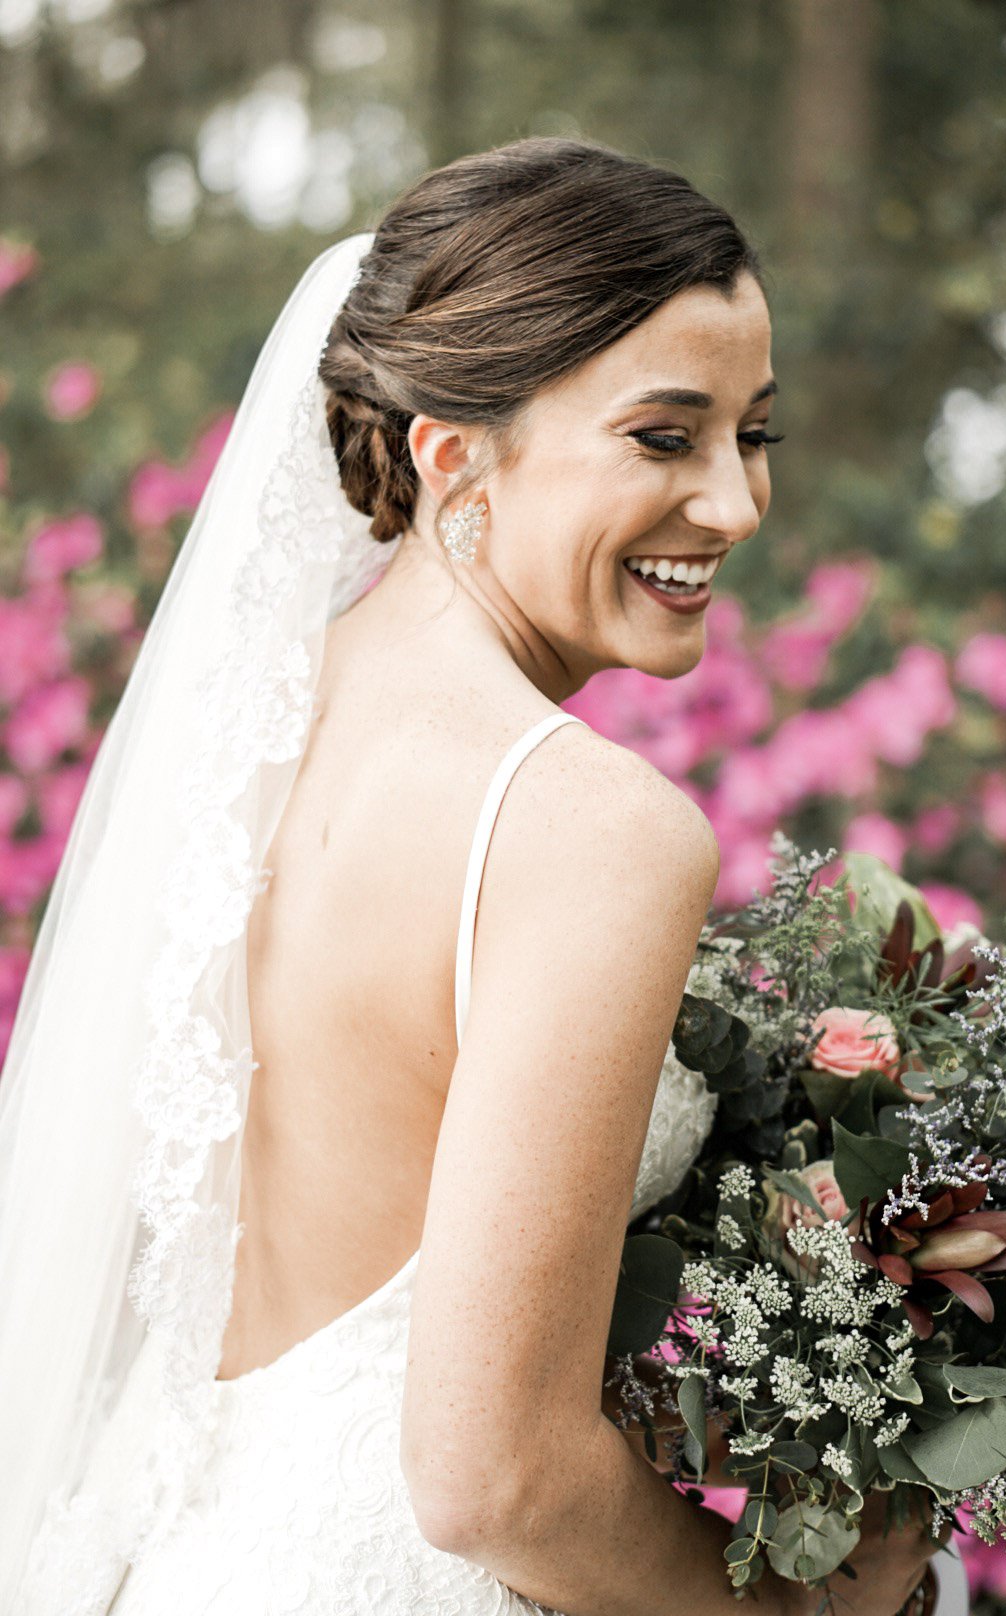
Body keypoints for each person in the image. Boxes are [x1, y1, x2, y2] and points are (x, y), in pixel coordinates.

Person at [0, 137, 953, 1616]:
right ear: (455, 452)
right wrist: (807, 1609)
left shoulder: (248, 730)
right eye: (664, 436)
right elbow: (488, 1477)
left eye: (754, 434)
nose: (738, 503)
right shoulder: (589, 827)